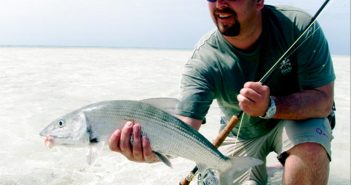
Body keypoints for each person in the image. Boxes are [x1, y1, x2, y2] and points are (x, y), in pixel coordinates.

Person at [109, 0, 335, 184]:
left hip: (296, 121)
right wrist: (150, 151)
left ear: (259, 2)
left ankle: (287, 161)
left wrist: (270, 105)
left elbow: (323, 101)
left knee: (310, 149)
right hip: (241, 134)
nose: (220, 3)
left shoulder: (298, 25)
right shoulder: (204, 60)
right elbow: (185, 126)